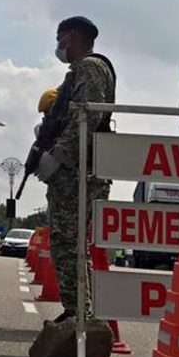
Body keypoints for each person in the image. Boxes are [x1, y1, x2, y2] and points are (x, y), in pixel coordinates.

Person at [33, 16, 115, 326]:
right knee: (69, 242)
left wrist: (59, 155)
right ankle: (78, 310)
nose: (58, 46)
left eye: (60, 38)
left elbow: (87, 116)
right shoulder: (79, 72)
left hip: (79, 171)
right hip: (76, 170)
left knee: (68, 242)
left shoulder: (90, 68)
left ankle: (79, 314)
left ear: (69, 38)